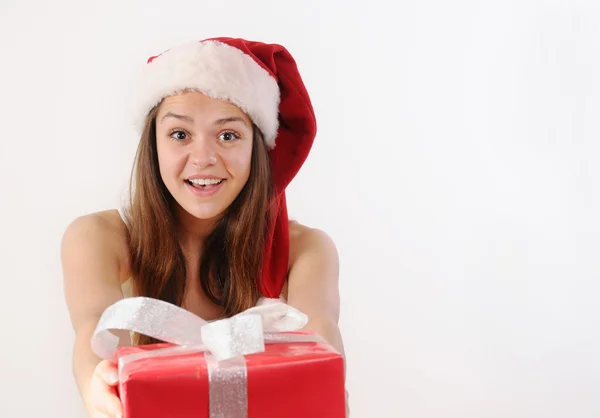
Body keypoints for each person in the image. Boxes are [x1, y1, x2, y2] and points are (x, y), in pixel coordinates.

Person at [61, 37, 346, 418]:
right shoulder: (98, 238)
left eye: (228, 135)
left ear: (257, 149)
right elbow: (96, 330)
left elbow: (320, 345)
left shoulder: (304, 250)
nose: (204, 158)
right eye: (180, 134)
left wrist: (325, 386)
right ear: (153, 145)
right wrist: (97, 381)